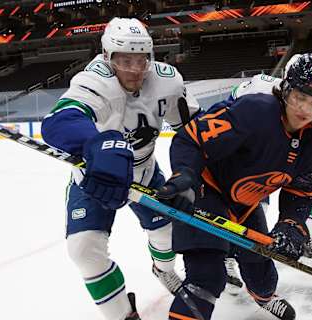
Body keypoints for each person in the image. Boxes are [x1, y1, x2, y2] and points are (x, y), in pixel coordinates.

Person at [41, 17, 201, 320]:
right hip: (96, 177)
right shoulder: (95, 80)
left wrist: (188, 173)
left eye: (141, 60)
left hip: (144, 173)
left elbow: (195, 131)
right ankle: (122, 314)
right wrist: (96, 144)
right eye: (125, 60)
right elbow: (59, 122)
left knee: (166, 232)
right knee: (83, 250)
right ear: (106, 57)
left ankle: (163, 270)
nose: (135, 69)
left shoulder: (167, 81)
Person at [157, 53, 312, 320]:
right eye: (300, 97)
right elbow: (191, 138)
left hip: (244, 203)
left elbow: (302, 192)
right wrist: (184, 176)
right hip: (205, 190)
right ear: (286, 90)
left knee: (261, 272)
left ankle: (265, 296)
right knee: (207, 277)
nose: (305, 110)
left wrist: (292, 226)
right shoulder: (254, 112)